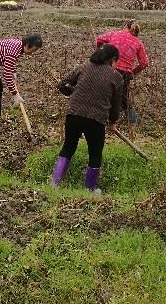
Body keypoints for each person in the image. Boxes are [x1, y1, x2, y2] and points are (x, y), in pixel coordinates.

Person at [53, 44, 124, 193]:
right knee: (95, 153)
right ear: (112, 59)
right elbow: (116, 105)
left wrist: (72, 93)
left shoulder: (84, 67)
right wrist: (113, 122)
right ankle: (90, 189)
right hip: (96, 119)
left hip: (73, 114)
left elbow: (62, 84)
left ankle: (55, 183)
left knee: (68, 147)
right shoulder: (116, 77)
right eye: (117, 61)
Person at [95, 20, 149, 124]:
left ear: (125, 26)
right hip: (124, 74)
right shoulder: (138, 42)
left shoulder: (114, 34)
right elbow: (144, 63)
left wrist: (98, 51)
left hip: (109, 69)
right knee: (124, 98)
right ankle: (133, 122)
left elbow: (99, 39)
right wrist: (133, 72)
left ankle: (102, 117)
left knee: (104, 94)